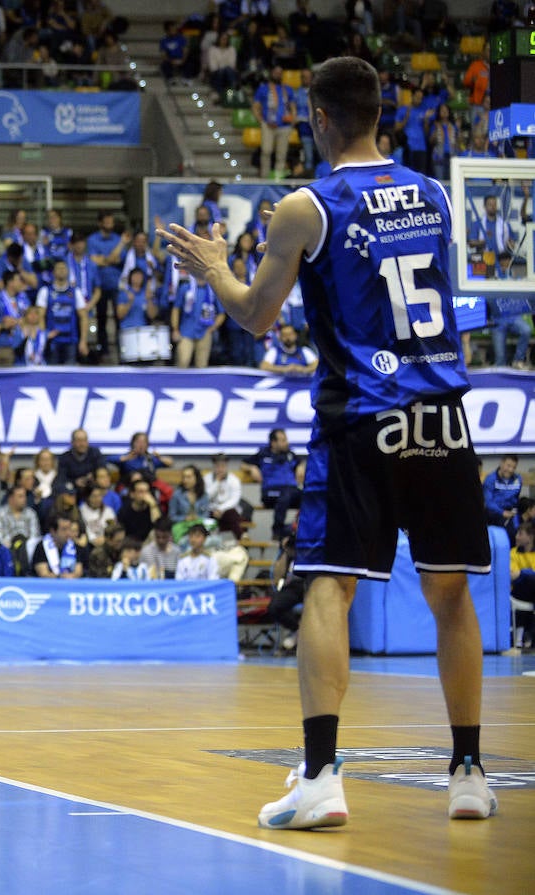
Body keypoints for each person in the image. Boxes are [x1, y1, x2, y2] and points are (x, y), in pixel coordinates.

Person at [158, 56, 496, 829]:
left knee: (328, 588)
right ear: (384, 113)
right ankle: (469, 771)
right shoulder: (436, 195)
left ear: (315, 120)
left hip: (362, 418)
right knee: (451, 594)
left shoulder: (306, 207)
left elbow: (254, 316)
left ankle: (320, 776)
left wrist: (215, 267)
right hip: (442, 412)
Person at [246, 428, 306, 540]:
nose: (286, 443)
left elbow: (300, 461)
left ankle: (299, 527)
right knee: (285, 495)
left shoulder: (290, 455)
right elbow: (244, 463)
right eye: (283, 440)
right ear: (273, 443)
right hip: (271, 493)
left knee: (308, 497)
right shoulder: (263, 454)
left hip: (291, 492)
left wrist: (300, 466)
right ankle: (277, 531)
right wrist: (252, 467)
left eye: (286, 439)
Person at [31, 514, 84, 579]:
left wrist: (70, 577)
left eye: (69, 529)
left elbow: (78, 572)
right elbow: (43, 574)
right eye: (64, 529)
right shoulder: (42, 547)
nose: (68, 533)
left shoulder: (74, 547)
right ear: (53, 531)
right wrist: (61, 577)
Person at [483, 454, 522, 538]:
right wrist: (502, 512)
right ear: (501, 463)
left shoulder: (518, 479)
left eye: (514, 467)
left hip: (511, 512)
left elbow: (516, 500)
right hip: (494, 512)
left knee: (518, 529)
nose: (511, 470)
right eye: (508, 466)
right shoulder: (490, 479)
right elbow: (488, 502)